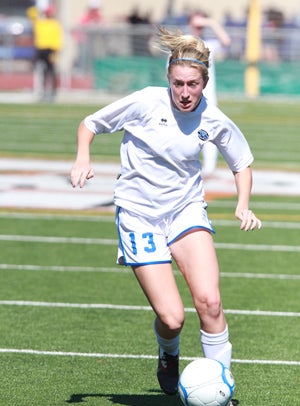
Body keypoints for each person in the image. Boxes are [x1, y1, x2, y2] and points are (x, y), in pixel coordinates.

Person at [70, 26, 261, 403]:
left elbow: (242, 162)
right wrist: (82, 157)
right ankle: (168, 352)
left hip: (185, 210)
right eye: (178, 84)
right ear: (168, 79)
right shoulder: (145, 102)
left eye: (193, 84)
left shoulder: (214, 118)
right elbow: (90, 124)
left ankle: (221, 384)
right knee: (173, 318)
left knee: (210, 302)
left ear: (205, 82)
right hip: (139, 215)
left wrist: (243, 203)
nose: (185, 93)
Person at [189, 11, 231, 176]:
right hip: (186, 97)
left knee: (208, 131)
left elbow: (226, 41)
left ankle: (209, 167)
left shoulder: (208, 45)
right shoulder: (184, 44)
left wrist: (211, 22)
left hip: (207, 97)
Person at [29, 4, 63, 101]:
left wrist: (56, 52)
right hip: (41, 49)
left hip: (51, 50)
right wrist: (40, 9)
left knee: (51, 72)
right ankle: (42, 92)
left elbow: (58, 38)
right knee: (41, 71)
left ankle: (52, 93)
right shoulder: (40, 23)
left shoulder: (55, 24)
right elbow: (31, 13)